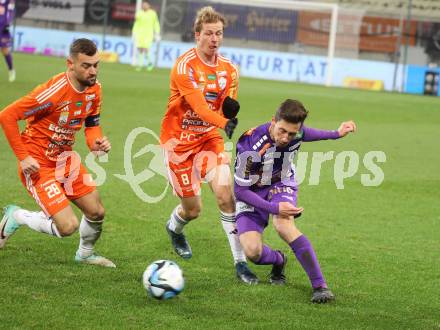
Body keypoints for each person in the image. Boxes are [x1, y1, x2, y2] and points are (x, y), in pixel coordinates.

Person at [160, 6, 257, 284]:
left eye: (219, 34)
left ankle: (240, 264)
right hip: (178, 144)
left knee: (226, 195)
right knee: (193, 209)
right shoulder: (184, 66)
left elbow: (225, 109)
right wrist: (223, 121)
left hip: (208, 140)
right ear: (197, 35)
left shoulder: (230, 69)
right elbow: (200, 108)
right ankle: (175, 227)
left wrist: (229, 112)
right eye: (210, 34)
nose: (215, 39)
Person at [0, 38, 115, 268]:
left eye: (96, 64)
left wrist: (96, 143)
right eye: (86, 65)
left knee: (97, 211)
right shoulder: (53, 93)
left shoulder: (95, 90)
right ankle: (17, 216)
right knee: (67, 227)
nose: (93, 71)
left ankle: (85, 254)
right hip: (38, 163)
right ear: (70, 64)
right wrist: (23, 157)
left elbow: (92, 124)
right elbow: (7, 115)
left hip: (65, 159)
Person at [234, 99, 356, 302]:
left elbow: (308, 134)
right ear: (273, 121)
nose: (286, 138)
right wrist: (273, 207)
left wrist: (336, 133)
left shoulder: (296, 132)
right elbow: (240, 190)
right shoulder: (249, 144)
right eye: (282, 131)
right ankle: (279, 260)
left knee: (284, 225)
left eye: (291, 134)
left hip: (281, 182)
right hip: (252, 191)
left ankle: (320, 286)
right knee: (252, 251)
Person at [131, 1, 160, 71]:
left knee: (146, 49)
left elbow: (156, 23)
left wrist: (157, 33)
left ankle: (150, 63)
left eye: (145, 5)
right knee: (140, 49)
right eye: (143, 5)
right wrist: (134, 32)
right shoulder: (139, 13)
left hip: (149, 34)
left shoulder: (153, 13)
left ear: (149, 5)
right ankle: (140, 65)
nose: (144, 6)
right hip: (140, 33)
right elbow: (136, 23)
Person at [0, 0, 15, 82]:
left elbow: (11, 12)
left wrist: (8, 24)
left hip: (3, 29)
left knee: (5, 50)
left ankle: (11, 70)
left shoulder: (9, 1)